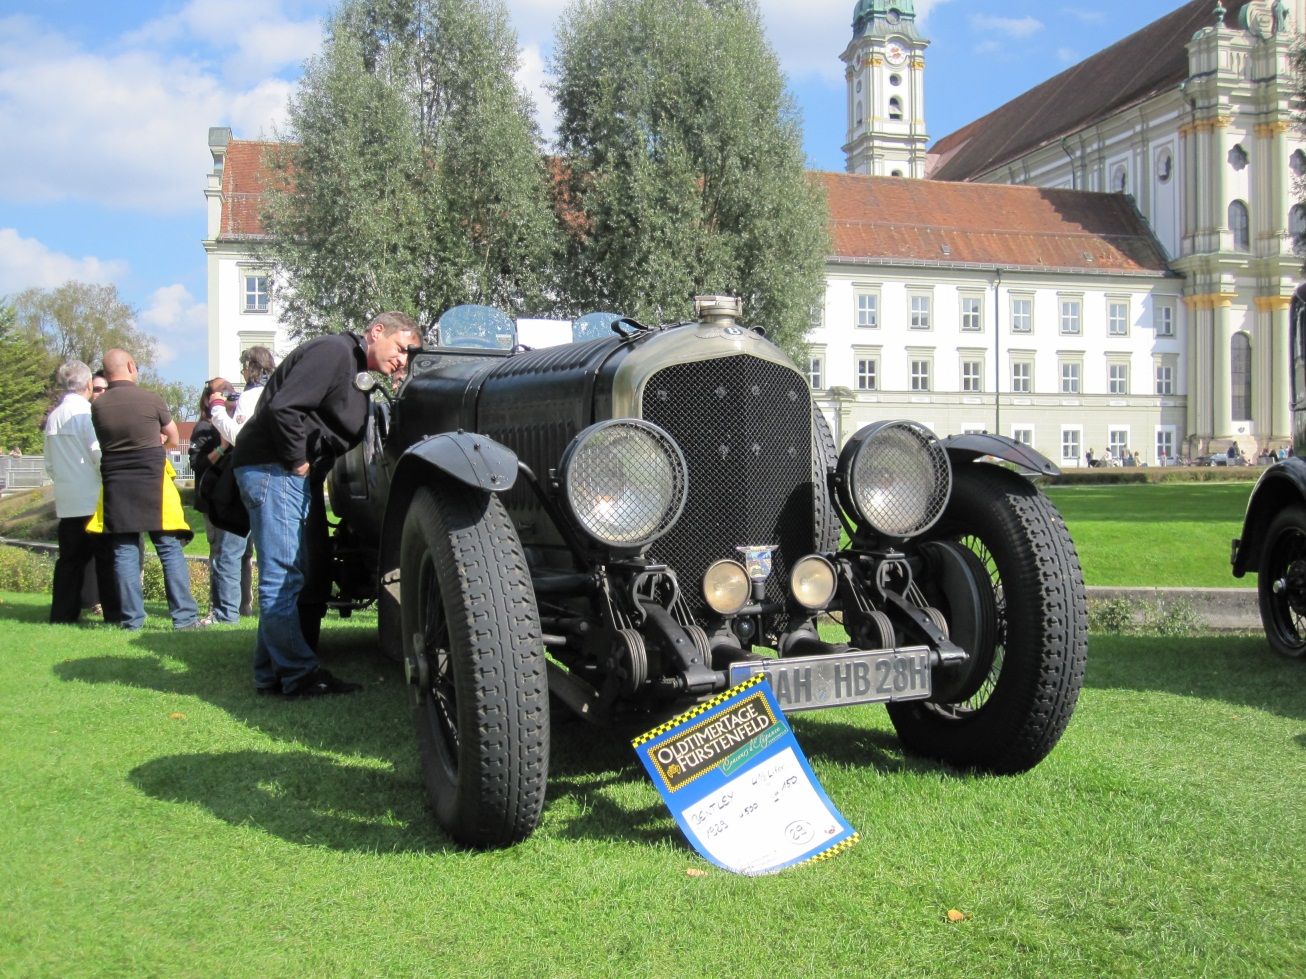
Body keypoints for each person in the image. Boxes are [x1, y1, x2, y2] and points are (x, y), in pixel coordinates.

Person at [232, 312, 419, 697]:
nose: (402, 359)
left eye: (409, 356)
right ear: (376, 331)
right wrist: (298, 460)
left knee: (290, 574)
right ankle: (299, 674)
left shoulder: (353, 367)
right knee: (283, 577)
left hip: (280, 471)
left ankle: (269, 675)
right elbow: (284, 407)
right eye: (401, 349)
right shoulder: (335, 352)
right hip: (276, 470)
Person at [89, 348, 201, 630]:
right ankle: (184, 618)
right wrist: (157, 445)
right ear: (129, 366)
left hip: (116, 482)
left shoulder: (98, 406)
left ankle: (132, 620)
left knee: (125, 551)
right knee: (168, 548)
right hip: (153, 480)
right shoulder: (151, 399)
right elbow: (174, 438)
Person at [43, 360, 118, 624]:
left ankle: (63, 614)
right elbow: (97, 454)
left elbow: (49, 464)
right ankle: (114, 614)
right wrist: (108, 481)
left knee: (69, 562)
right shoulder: (87, 414)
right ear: (88, 384)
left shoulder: (53, 417)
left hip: (67, 500)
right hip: (93, 499)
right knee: (105, 561)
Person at [190, 378, 244, 624]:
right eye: (222, 392)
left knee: (243, 554)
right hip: (215, 501)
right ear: (210, 399)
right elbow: (197, 464)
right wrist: (222, 447)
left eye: (231, 391)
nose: (228, 395)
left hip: (238, 498)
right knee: (221, 554)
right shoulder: (204, 427)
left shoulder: (238, 422)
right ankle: (219, 608)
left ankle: (243, 608)